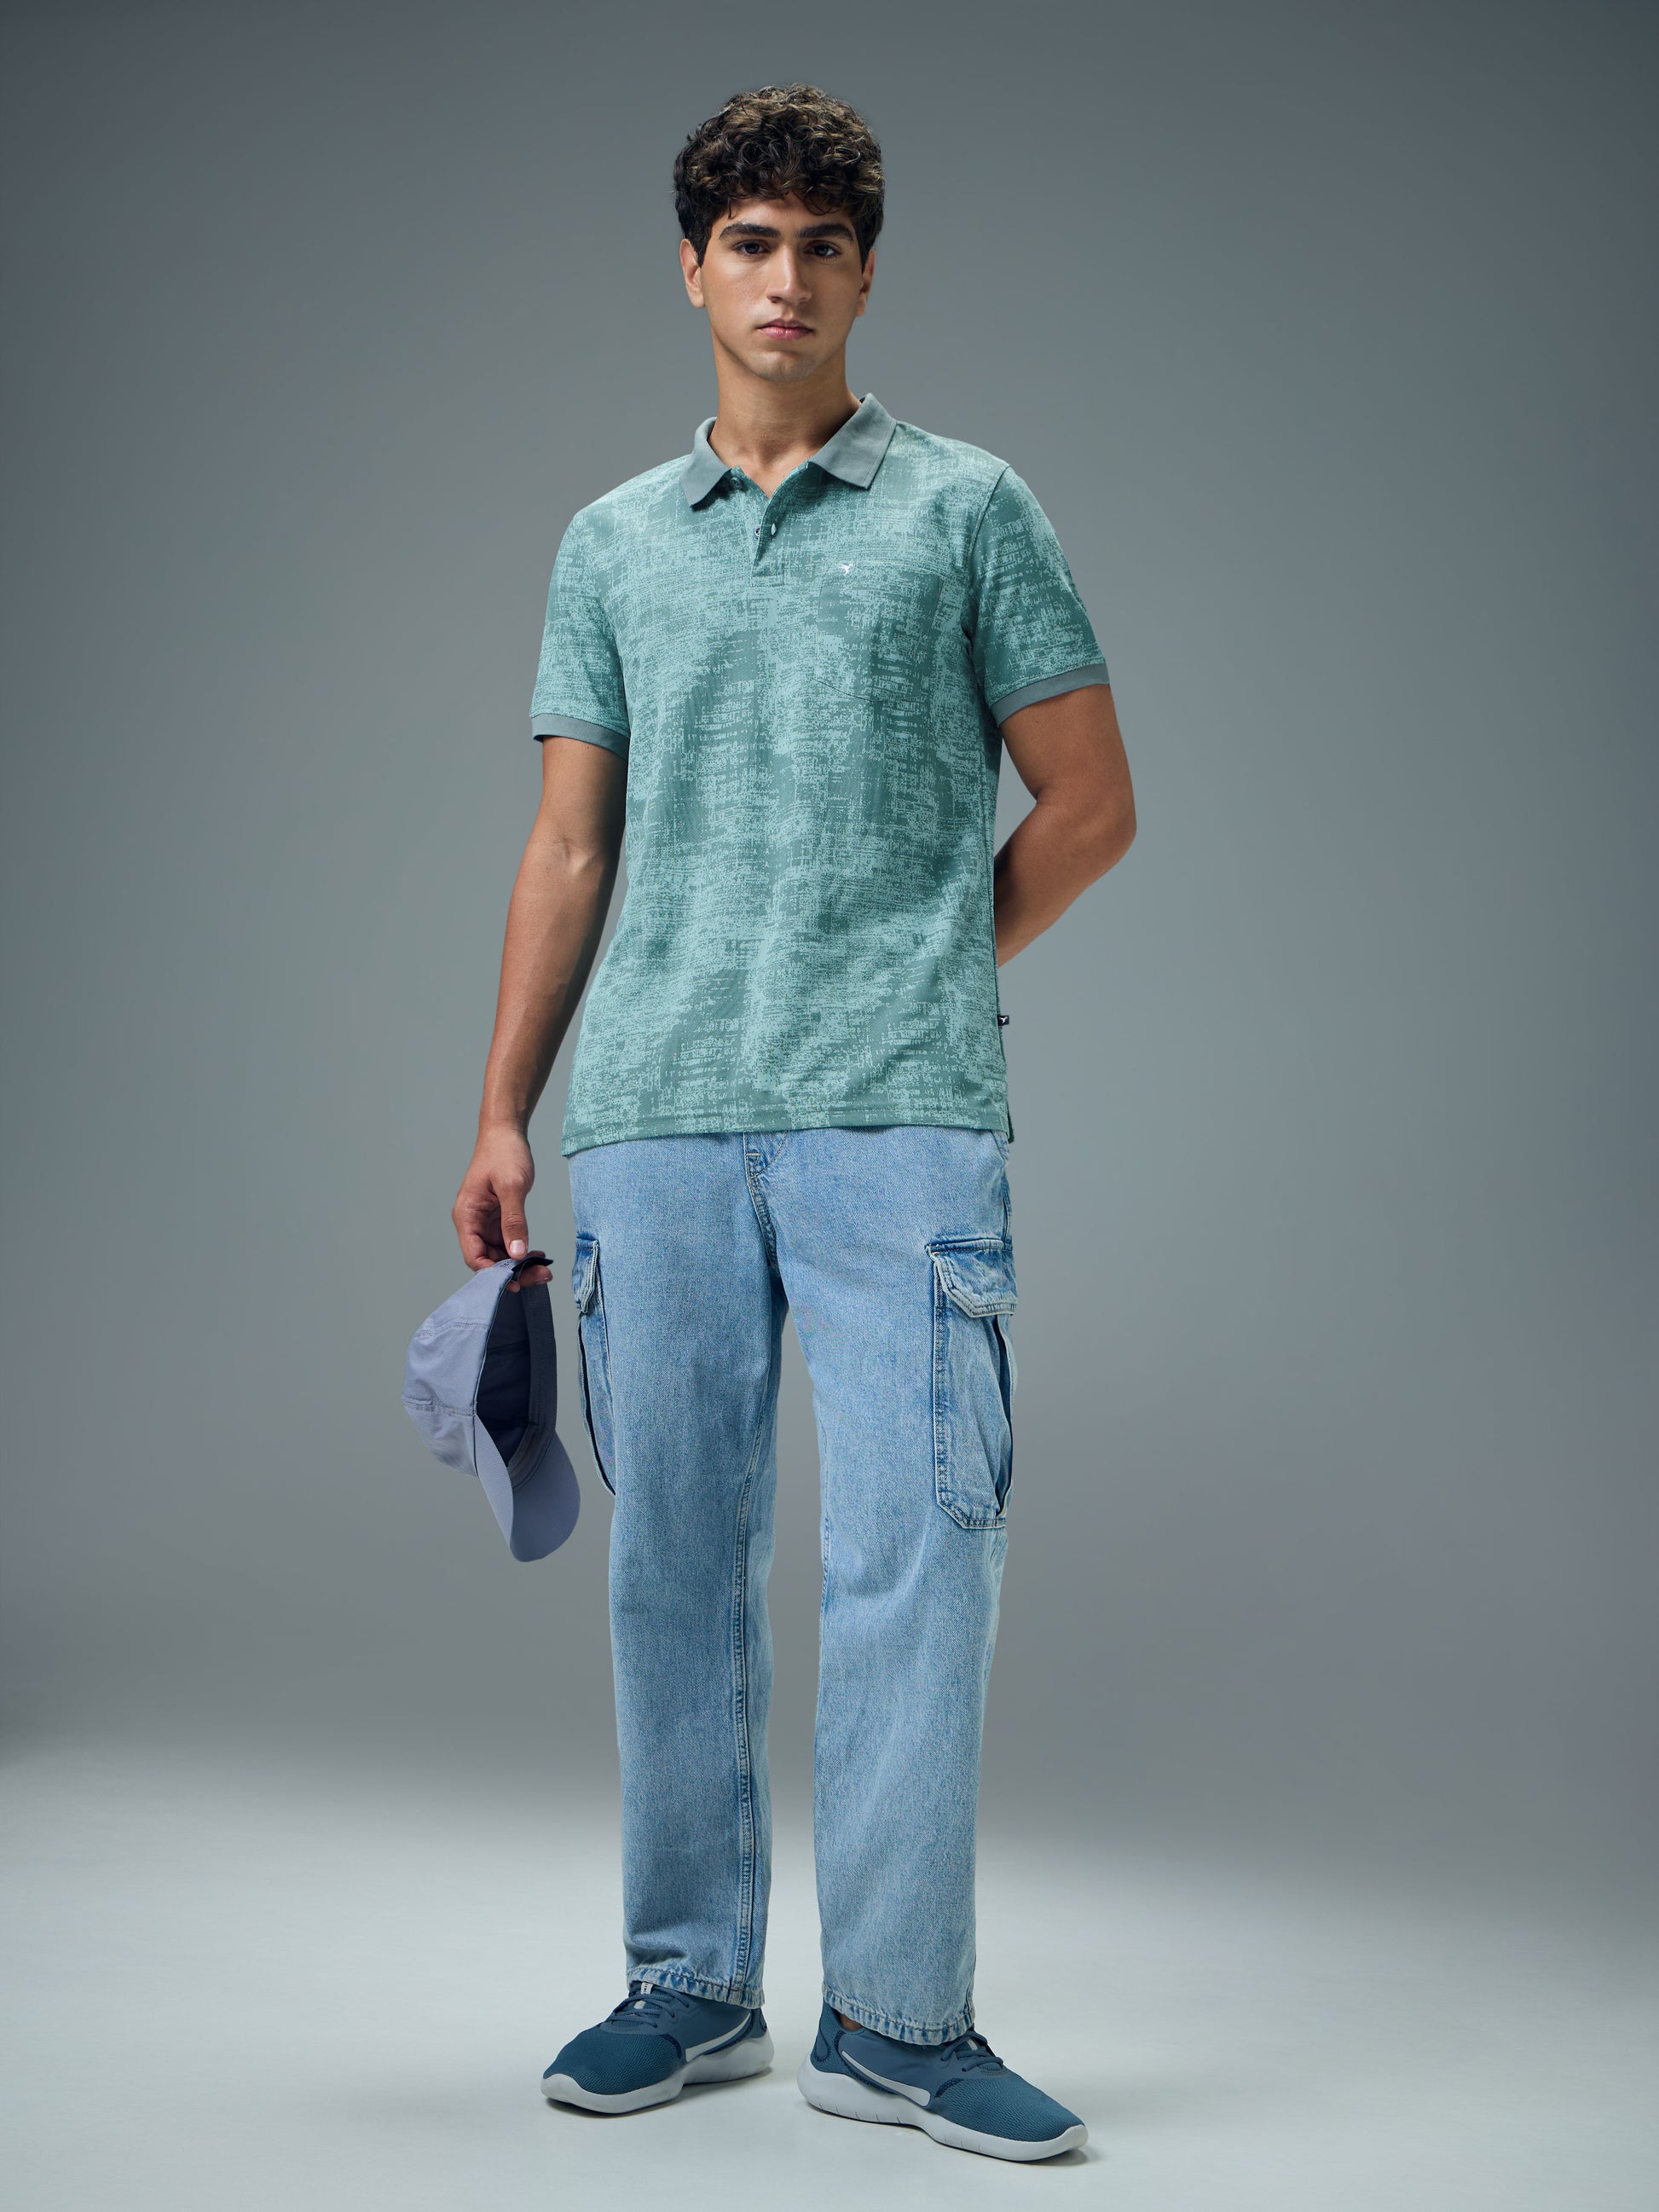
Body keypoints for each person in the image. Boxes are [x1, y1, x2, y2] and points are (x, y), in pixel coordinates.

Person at [451, 83, 1136, 2164]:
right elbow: (568, 852)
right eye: (748, 242)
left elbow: (1090, 803)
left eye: (820, 246)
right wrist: (501, 1109)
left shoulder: (967, 508)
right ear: (693, 267)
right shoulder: (610, 543)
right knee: (670, 1555)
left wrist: (925, 965)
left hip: (896, 1119)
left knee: (919, 1550)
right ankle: (689, 1981)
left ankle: (900, 2020)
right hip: (656, 1118)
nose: (784, 278)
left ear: (864, 273)